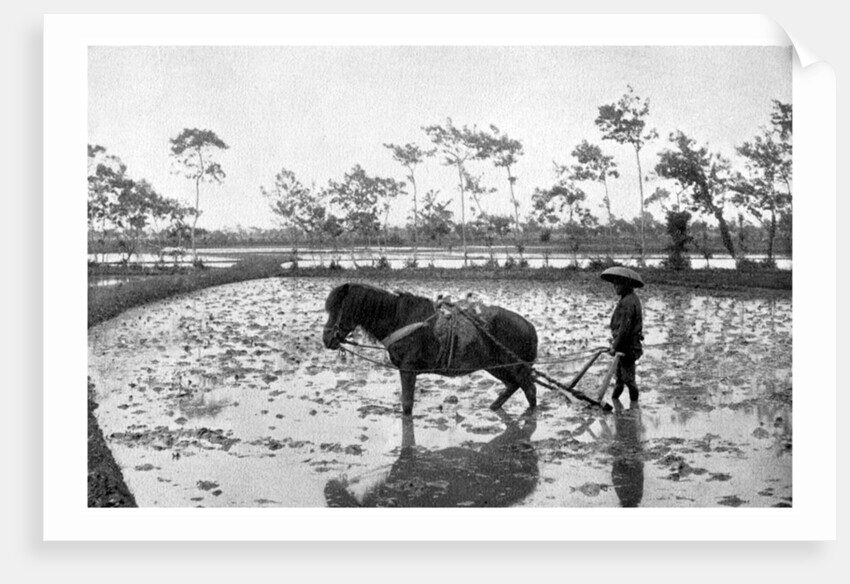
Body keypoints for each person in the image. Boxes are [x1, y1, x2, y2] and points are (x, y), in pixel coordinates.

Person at [600, 267, 644, 402]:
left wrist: (615, 347)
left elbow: (625, 329)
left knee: (629, 380)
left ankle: (635, 408)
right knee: (619, 379)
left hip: (628, 347)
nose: (615, 287)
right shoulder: (628, 299)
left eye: (618, 284)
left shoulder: (628, 302)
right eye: (614, 284)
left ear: (626, 286)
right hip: (623, 345)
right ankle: (615, 402)